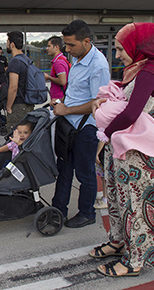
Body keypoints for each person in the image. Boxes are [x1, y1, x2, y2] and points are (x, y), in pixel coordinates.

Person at [90, 22, 154, 277]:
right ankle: (118, 240)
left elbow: (130, 113)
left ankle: (136, 261)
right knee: (119, 201)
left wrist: (104, 133)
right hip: (123, 153)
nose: (117, 55)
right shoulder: (137, 70)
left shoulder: (150, 73)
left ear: (139, 46)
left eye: (121, 49)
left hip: (138, 158)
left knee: (138, 207)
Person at [51, 20, 110, 228]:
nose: (67, 49)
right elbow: (76, 93)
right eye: (65, 45)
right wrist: (62, 104)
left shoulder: (98, 65)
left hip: (86, 128)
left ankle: (87, 213)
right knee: (64, 169)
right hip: (69, 126)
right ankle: (58, 210)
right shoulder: (77, 58)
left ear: (86, 41)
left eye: (71, 45)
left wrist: (67, 109)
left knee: (85, 173)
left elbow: (98, 104)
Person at [5, 31, 34, 131]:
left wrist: (8, 107)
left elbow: (13, 87)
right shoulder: (26, 59)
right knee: (25, 136)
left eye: (7, 42)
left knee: (15, 137)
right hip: (28, 103)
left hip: (18, 105)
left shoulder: (15, 61)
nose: (6, 45)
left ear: (12, 44)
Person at [44, 36, 70, 101]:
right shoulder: (63, 60)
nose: (47, 48)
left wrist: (48, 77)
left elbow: (62, 81)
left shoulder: (58, 62)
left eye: (49, 46)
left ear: (56, 47)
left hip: (58, 99)